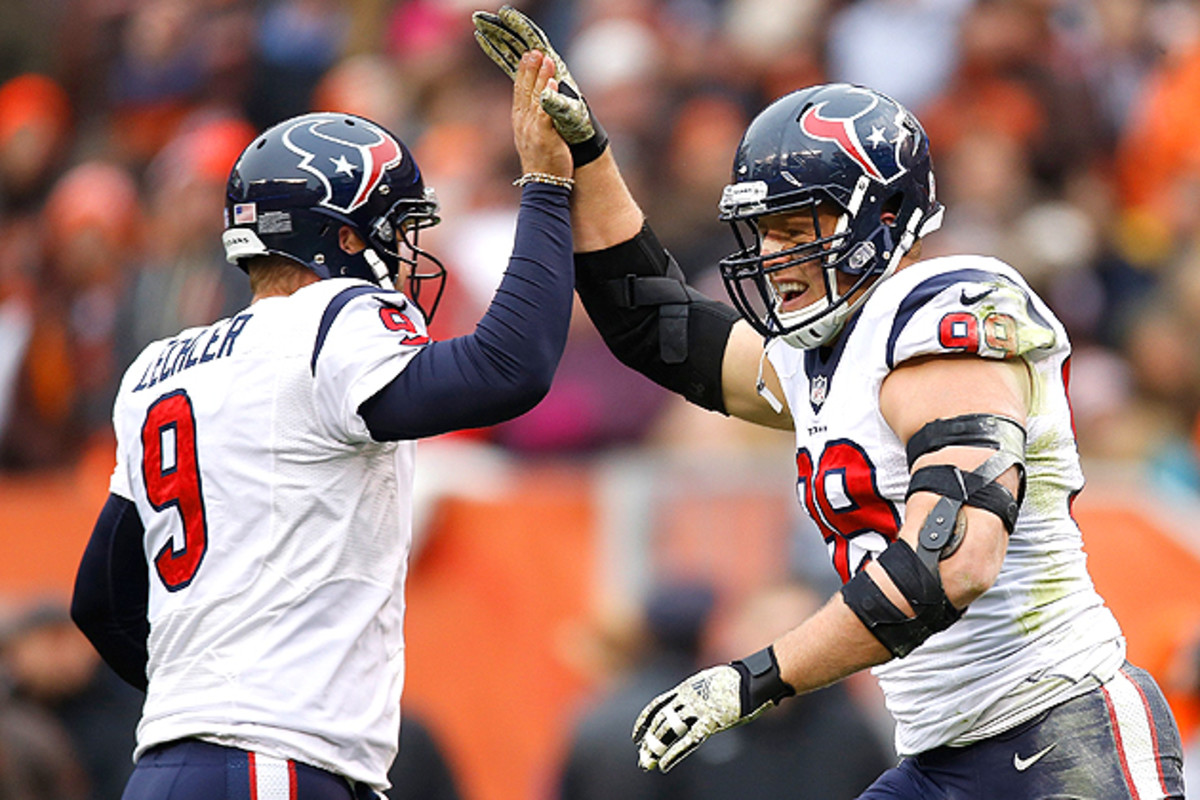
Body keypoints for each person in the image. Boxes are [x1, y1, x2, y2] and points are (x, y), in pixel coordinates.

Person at [471, 7, 1186, 798]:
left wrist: (757, 676)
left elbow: (955, 559)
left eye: (794, 227)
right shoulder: (827, 354)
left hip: (1059, 734)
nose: (773, 256)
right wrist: (588, 157)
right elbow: (657, 327)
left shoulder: (943, 313)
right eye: (762, 232)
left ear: (883, 218)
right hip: (944, 750)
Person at [70, 50, 574, 800]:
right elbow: (510, 368)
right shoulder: (331, 320)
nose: (406, 251)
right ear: (344, 237)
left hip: (171, 767)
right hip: (271, 761)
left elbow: (100, 600)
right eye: (394, 229)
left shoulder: (157, 367)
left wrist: (204, 702)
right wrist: (548, 187)